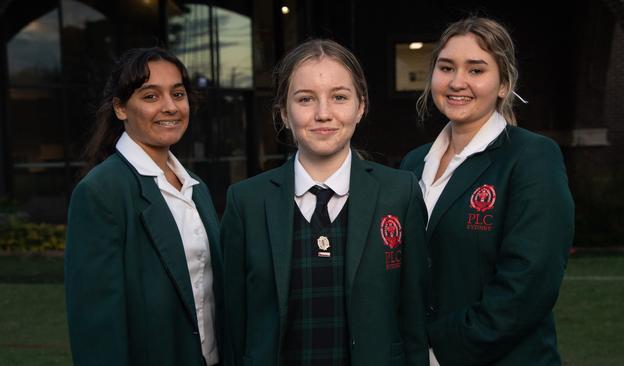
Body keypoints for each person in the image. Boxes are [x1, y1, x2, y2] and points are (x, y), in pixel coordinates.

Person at [221, 39, 429, 365]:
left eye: (339, 97)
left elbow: (414, 315)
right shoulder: (246, 201)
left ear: (361, 107)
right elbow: (233, 323)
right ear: (283, 114)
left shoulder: (400, 192)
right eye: (305, 99)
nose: (323, 113)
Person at [400, 17, 575, 366]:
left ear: (503, 84)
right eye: (446, 67)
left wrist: (438, 350)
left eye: (476, 70)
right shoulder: (413, 164)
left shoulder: (531, 157)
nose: (457, 82)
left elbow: (527, 285)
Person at [65, 47, 223, 366]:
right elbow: (96, 326)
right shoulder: (101, 191)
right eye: (151, 96)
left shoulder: (195, 186)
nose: (170, 107)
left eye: (178, 94)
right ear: (121, 108)